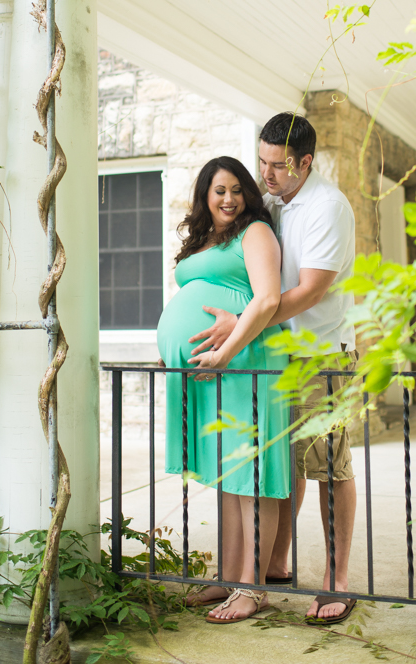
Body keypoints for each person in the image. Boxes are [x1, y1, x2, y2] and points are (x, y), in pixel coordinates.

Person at [188, 114, 357, 625]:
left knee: (329, 467)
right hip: (278, 356)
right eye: (262, 161)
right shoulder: (279, 204)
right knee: (286, 465)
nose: (267, 173)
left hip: (320, 356)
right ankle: (276, 564)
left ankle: (336, 581)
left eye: (278, 165)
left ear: (306, 162)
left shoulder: (326, 206)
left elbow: (309, 291)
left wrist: (244, 322)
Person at [157, 156, 290, 624]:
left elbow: (268, 297)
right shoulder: (206, 239)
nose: (229, 198)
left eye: (237, 189)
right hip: (215, 366)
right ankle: (229, 576)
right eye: (219, 191)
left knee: (251, 476)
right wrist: (173, 346)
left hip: (247, 361)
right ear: (205, 197)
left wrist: (227, 351)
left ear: (248, 194)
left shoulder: (256, 232)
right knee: (227, 475)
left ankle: (252, 588)